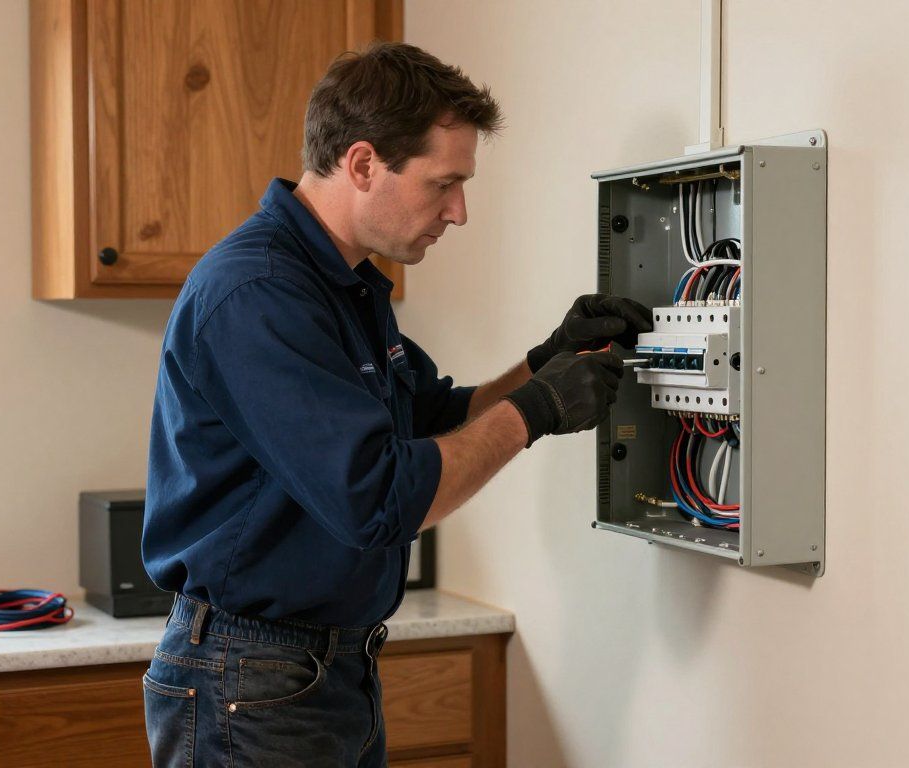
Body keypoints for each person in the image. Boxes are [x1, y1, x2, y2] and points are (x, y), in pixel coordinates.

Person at [141, 41, 649, 767]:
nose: (460, 211)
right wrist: (536, 410)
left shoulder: (343, 285)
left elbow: (431, 418)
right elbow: (377, 498)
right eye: (443, 184)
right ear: (362, 164)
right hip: (247, 681)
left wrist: (546, 361)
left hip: (324, 671)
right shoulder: (258, 295)